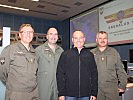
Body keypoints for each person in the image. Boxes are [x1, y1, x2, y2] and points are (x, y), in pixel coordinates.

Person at [0, 24, 40, 100]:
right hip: (16, 94)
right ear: (19, 35)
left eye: (31, 32)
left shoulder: (34, 52)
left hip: (33, 92)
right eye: (25, 32)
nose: (28, 34)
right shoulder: (10, 49)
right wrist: (13, 84)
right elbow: (2, 72)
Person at [56, 30, 98, 100]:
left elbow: (94, 74)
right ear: (72, 40)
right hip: (69, 94)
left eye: (81, 38)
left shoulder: (90, 55)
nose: (78, 40)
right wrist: (61, 93)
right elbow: (60, 74)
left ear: (84, 39)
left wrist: (94, 92)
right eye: (76, 38)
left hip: (86, 94)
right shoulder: (65, 54)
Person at [91, 31, 127, 100]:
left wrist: (123, 85)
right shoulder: (91, 53)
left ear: (107, 40)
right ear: (96, 40)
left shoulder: (114, 52)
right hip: (97, 89)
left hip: (112, 89)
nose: (102, 40)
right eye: (100, 38)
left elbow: (120, 70)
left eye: (105, 38)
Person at [35, 27, 63, 100]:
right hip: (43, 87)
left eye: (55, 34)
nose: (53, 36)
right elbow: (33, 70)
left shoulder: (61, 51)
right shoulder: (38, 50)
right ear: (47, 36)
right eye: (51, 34)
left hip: (57, 87)